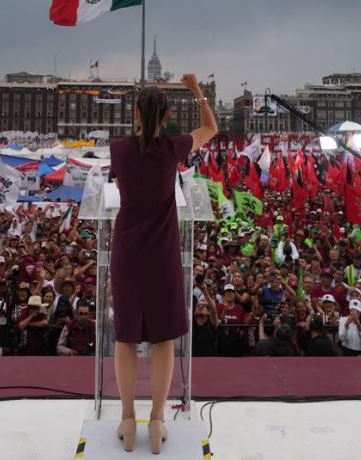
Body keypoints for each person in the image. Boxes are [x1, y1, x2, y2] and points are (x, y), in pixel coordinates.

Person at [108, 73, 216, 454]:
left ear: (136, 113)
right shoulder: (174, 147)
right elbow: (211, 128)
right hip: (161, 255)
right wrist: (197, 91)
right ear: (168, 113)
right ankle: (156, 421)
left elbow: (121, 187)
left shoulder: (118, 149)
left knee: (125, 336)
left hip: (126, 253)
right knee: (163, 339)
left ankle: (126, 418)